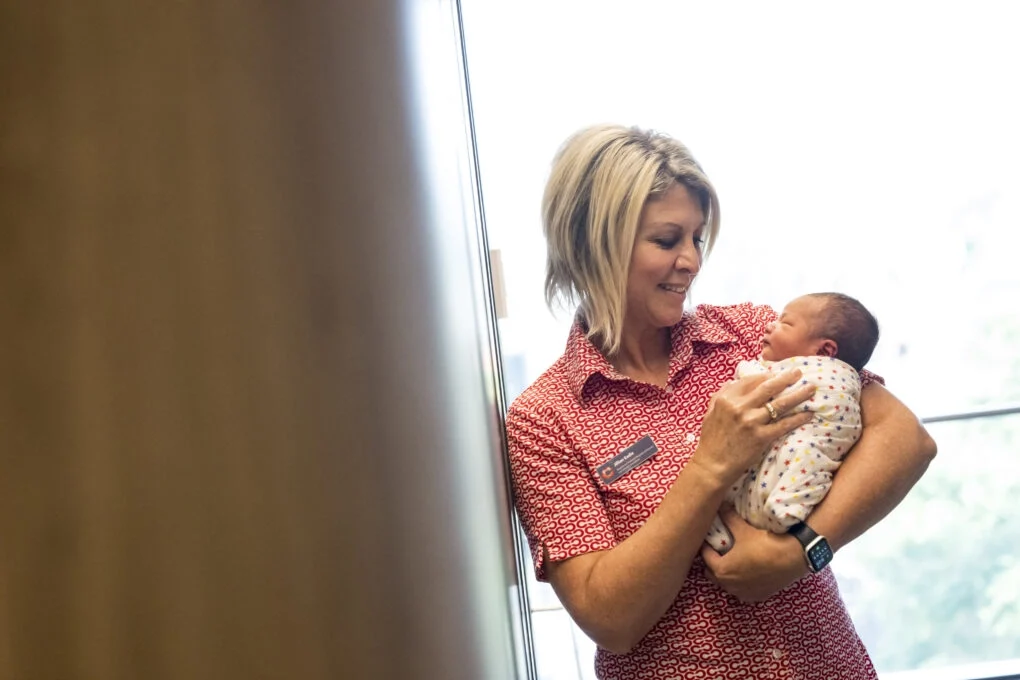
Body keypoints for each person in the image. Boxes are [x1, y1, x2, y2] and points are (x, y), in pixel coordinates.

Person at [505, 124, 936, 679]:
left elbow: (906, 439)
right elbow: (611, 618)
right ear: (595, 243)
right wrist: (711, 464)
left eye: (697, 238)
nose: (690, 260)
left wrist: (803, 550)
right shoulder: (545, 419)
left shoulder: (755, 336)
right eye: (666, 240)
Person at [704, 292, 880, 554]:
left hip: (802, 450)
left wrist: (745, 370)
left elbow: (765, 385)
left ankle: (776, 511)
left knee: (791, 463)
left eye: (784, 324)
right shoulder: (844, 378)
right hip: (797, 462)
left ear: (824, 351)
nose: (769, 325)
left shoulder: (820, 373)